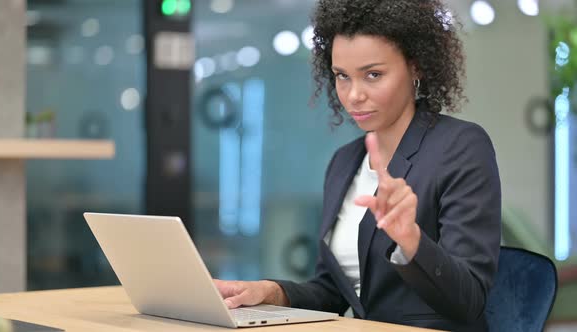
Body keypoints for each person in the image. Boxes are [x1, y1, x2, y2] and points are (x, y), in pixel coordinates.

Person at [214, 0, 501, 330]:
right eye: (342, 76)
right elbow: (332, 291)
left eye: (373, 75)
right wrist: (272, 292)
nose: (353, 96)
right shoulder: (344, 162)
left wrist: (410, 240)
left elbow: (470, 300)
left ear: (416, 66)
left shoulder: (460, 147)